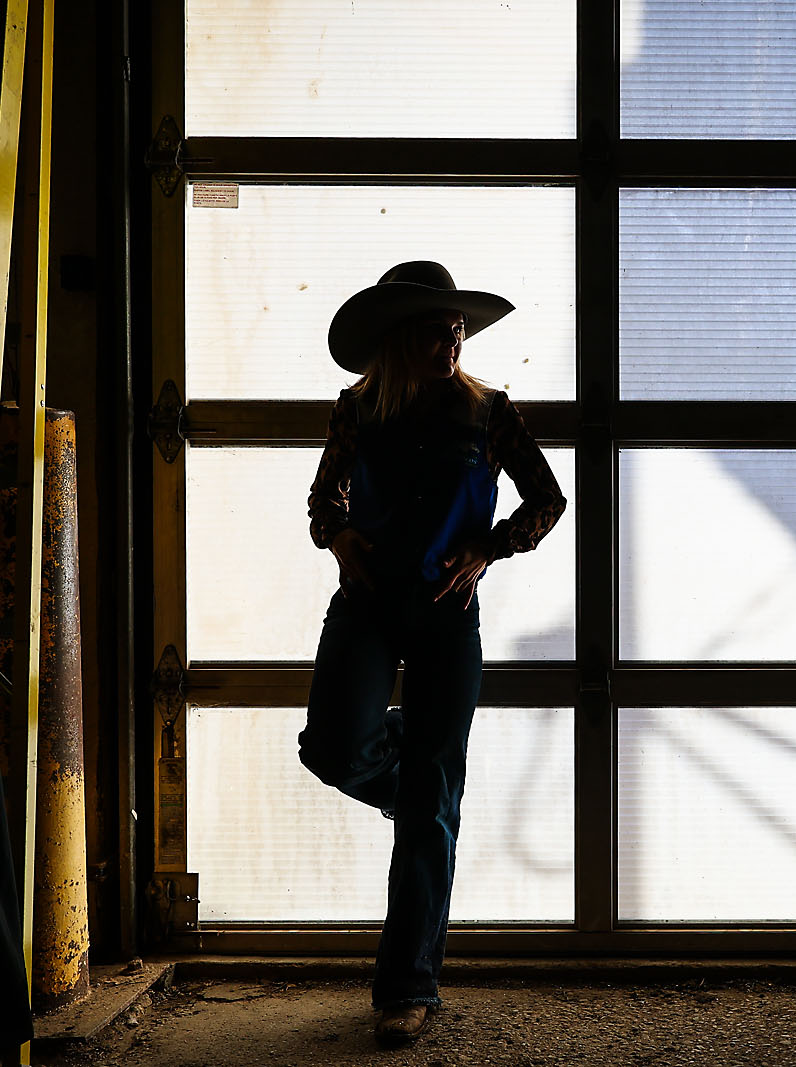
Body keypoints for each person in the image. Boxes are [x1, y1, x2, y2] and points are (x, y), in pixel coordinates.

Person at [297, 261, 566, 1046]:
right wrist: (341, 538)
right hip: (369, 604)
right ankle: (408, 787)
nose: (451, 340)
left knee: (432, 806)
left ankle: (406, 988)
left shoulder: (491, 413)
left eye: (457, 329)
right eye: (434, 328)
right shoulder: (358, 411)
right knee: (335, 747)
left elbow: (546, 499)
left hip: (450, 617)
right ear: (398, 338)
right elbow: (325, 501)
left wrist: (488, 550)